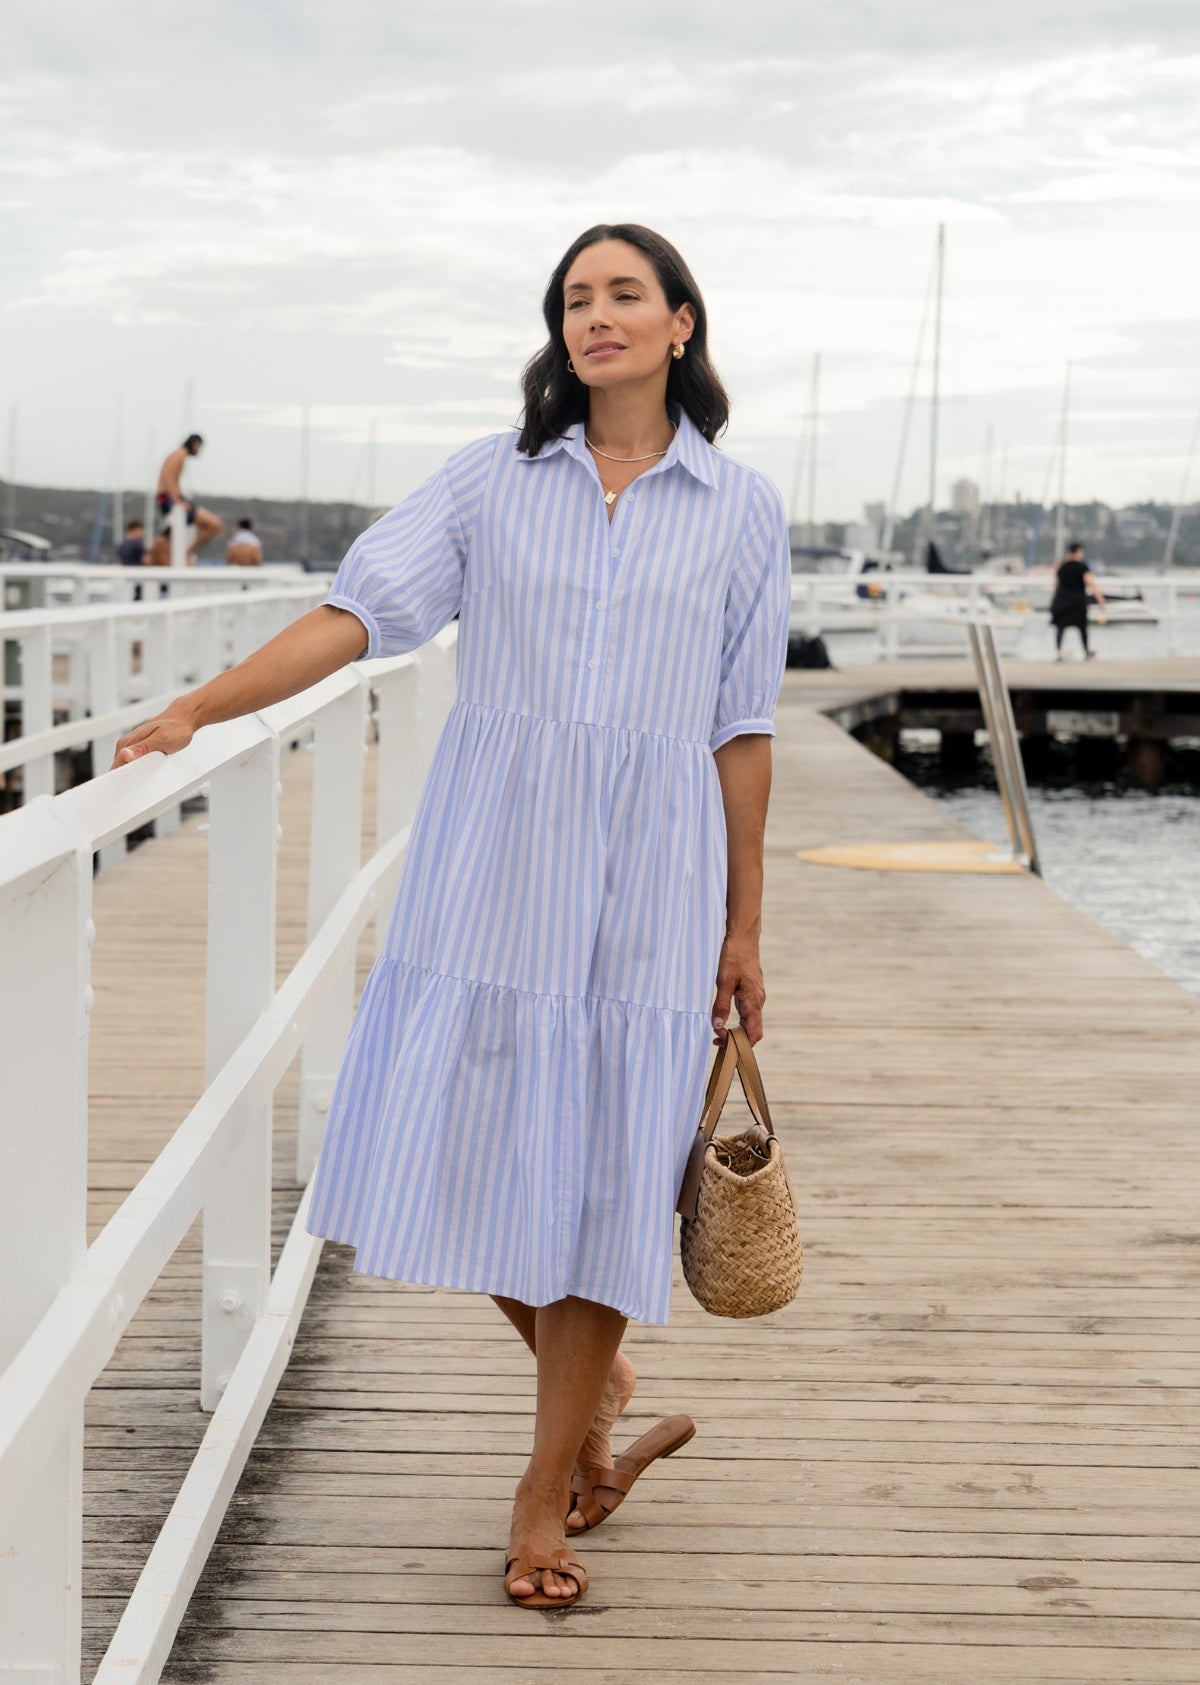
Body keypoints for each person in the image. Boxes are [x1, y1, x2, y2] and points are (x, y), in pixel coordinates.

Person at [112, 223, 790, 1612]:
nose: (595, 315)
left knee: (604, 1174)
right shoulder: (493, 479)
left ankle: (545, 1498)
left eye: (624, 295)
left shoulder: (742, 508)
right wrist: (197, 706)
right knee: (442, 1146)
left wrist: (745, 926)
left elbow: (743, 725)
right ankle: (598, 1382)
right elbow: (360, 614)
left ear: (679, 324)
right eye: (575, 298)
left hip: (650, 887)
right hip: (492, 868)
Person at [156, 433, 222, 563]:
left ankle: (184, 555)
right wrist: (178, 501)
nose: (199, 451)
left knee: (170, 536)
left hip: (169, 499)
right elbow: (169, 478)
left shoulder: (177, 454)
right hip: (169, 499)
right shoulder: (179, 454)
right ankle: (188, 553)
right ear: (196, 444)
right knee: (214, 524)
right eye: (200, 447)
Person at [1050, 540, 1107, 660]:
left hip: (1062, 600)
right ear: (1078, 552)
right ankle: (1086, 651)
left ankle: (1059, 653)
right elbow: (1091, 583)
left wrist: (1056, 600)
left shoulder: (1062, 567)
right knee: (1082, 627)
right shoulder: (1082, 567)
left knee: (1061, 627)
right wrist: (1100, 600)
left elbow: (1056, 585)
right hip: (1077, 601)